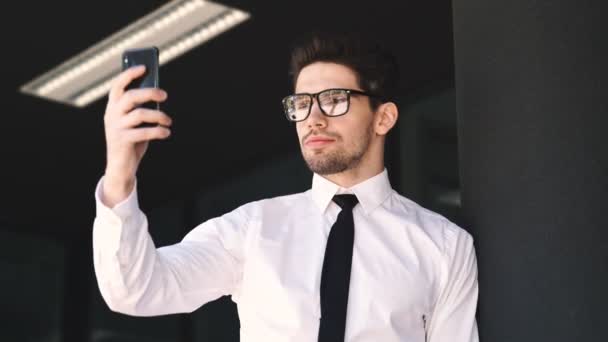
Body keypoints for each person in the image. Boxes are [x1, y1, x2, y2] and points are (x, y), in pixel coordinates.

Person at [93, 32, 479, 342]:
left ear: (384, 118)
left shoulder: (444, 246)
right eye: (301, 103)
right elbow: (135, 290)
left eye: (333, 100)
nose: (312, 119)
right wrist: (120, 173)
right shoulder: (252, 229)